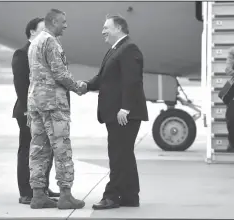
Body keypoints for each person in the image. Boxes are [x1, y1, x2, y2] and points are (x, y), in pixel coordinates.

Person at [80, 15, 149, 209]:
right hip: (117, 113)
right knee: (124, 155)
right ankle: (130, 197)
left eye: (106, 27)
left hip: (124, 114)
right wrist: (86, 85)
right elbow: (103, 78)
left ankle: (111, 196)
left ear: (118, 28)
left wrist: (125, 108)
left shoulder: (128, 49)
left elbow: (132, 81)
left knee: (118, 155)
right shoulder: (116, 49)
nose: (103, 31)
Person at [27, 9, 85, 209]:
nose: (66, 25)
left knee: (38, 149)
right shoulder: (51, 41)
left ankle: (37, 194)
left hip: (36, 102)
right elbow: (59, 73)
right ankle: (65, 195)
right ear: (53, 22)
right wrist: (78, 87)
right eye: (63, 21)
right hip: (53, 103)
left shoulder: (34, 42)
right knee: (62, 149)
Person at [11, 17, 60, 205]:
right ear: (32, 32)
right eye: (42, 30)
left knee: (46, 150)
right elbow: (21, 85)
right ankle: (26, 191)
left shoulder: (45, 52)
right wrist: (28, 110)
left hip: (46, 111)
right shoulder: (22, 54)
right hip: (27, 111)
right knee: (28, 150)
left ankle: (41, 188)